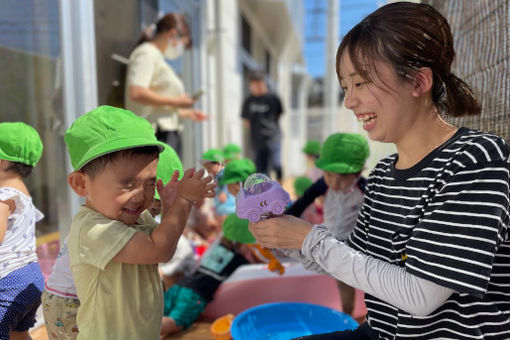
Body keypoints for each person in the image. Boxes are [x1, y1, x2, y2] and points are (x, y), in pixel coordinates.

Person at [248, 2, 510, 339]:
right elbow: (353, 259)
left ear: (418, 81)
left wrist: (307, 238)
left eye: (360, 83)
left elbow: (421, 296)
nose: (349, 102)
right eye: (345, 87)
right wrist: (286, 241)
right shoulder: (385, 172)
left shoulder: (477, 159)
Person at [64, 105, 215, 339]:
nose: (142, 195)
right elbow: (159, 250)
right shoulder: (92, 229)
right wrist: (184, 200)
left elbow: (167, 242)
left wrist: (169, 208)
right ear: (81, 184)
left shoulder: (138, 217)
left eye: (149, 183)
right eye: (127, 184)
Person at [160, 213, 257, 336]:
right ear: (242, 243)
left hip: (180, 286)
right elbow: (255, 272)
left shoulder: (215, 248)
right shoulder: (239, 260)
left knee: (157, 315)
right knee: (174, 322)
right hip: (194, 295)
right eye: (249, 245)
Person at [125, 12, 207, 157]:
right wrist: (177, 102)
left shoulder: (156, 56)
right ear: (173, 34)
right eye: (183, 44)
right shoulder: (147, 53)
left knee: (169, 178)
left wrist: (186, 112)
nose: (180, 50)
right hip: (155, 134)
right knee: (164, 178)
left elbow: (156, 107)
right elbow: (137, 92)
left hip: (163, 133)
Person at [0, 122, 45, 340]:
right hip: (30, 276)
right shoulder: (23, 195)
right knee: (19, 334)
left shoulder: (3, 196)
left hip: (6, 281)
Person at [241, 71, 284, 181]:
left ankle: (280, 187)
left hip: (273, 138)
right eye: (254, 85)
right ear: (250, 86)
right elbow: (246, 121)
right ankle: (268, 194)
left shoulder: (273, 98)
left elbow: (278, 116)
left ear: (264, 83)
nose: (257, 87)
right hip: (257, 141)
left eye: (259, 84)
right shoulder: (248, 101)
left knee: (276, 164)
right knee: (262, 171)